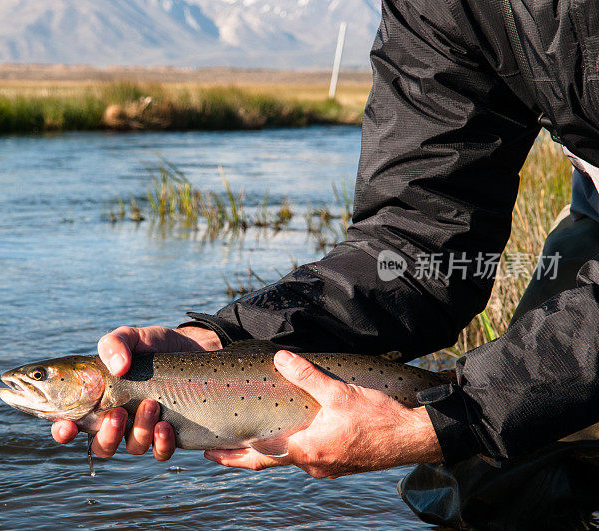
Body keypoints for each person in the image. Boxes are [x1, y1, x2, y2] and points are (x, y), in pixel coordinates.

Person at [53, 0, 599, 526]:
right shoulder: (434, 8)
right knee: (490, 486)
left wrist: (450, 419)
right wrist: (227, 341)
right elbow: (413, 243)